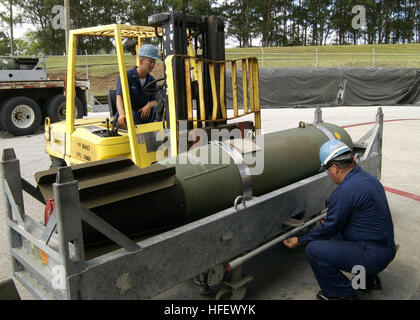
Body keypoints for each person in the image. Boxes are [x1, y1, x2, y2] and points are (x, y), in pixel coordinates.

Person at [283, 139, 396, 300]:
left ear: (335, 168)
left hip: (373, 256)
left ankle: (340, 295)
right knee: (340, 235)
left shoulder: (344, 192)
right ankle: (366, 280)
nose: (328, 174)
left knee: (315, 250)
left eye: (327, 170)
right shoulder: (369, 179)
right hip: (386, 248)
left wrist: (300, 240)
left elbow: (329, 229)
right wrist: (333, 223)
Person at [114, 44, 160, 127]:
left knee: (161, 109)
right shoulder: (127, 76)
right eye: (150, 62)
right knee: (131, 114)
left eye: (154, 63)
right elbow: (119, 96)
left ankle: (164, 134)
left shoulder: (151, 80)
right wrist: (121, 114)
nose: (153, 65)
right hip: (128, 116)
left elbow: (155, 100)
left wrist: (148, 106)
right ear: (141, 61)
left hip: (142, 116)